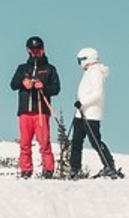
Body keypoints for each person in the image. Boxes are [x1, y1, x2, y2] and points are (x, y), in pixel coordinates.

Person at [10, 35, 60, 178]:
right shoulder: (22, 68)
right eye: (33, 50)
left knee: (44, 142)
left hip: (41, 111)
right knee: (25, 143)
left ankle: (48, 170)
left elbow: (56, 89)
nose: (36, 52)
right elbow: (13, 85)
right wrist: (23, 82)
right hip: (25, 111)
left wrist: (43, 87)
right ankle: (26, 170)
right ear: (28, 51)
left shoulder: (49, 69)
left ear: (43, 50)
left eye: (38, 49)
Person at [71, 47, 121, 179]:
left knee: (95, 141)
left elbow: (98, 93)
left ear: (87, 59)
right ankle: (74, 169)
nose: (79, 64)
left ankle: (109, 166)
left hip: (91, 113)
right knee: (76, 141)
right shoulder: (89, 72)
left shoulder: (96, 72)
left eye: (80, 60)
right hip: (81, 113)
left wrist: (83, 102)